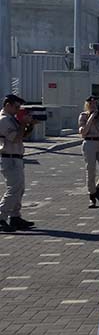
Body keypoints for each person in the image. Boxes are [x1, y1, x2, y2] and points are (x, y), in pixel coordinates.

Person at [0, 94, 35, 232]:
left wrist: (29, 125)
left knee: (20, 189)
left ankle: (15, 216)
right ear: (7, 105)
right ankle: (1, 216)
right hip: (9, 157)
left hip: (16, 156)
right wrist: (23, 123)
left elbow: (22, 136)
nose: (17, 110)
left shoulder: (11, 119)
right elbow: (15, 138)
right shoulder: (4, 120)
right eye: (16, 107)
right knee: (13, 189)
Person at [79, 95, 99, 208]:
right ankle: (92, 196)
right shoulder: (83, 116)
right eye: (91, 104)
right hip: (89, 143)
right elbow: (83, 133)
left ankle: (98, 189)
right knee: (91, 171)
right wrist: (91, 117)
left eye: (96, 104)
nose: (94, 106)